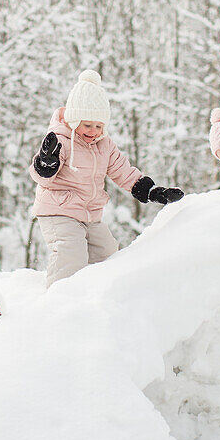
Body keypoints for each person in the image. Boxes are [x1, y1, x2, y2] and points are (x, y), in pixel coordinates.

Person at [30, 70, 185, 286]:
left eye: (99, 126)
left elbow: (123, 171)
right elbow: (42, 178)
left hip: (90, 214)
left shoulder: (105, 145)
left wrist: (151, 191)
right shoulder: (60, 140)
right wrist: (46, 164)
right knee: (71, 253)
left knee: (108, 254)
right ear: (75, 119)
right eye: (87, 125)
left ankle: (98, 299)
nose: (93, 131)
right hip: (59, 211)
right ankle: (58, 305)